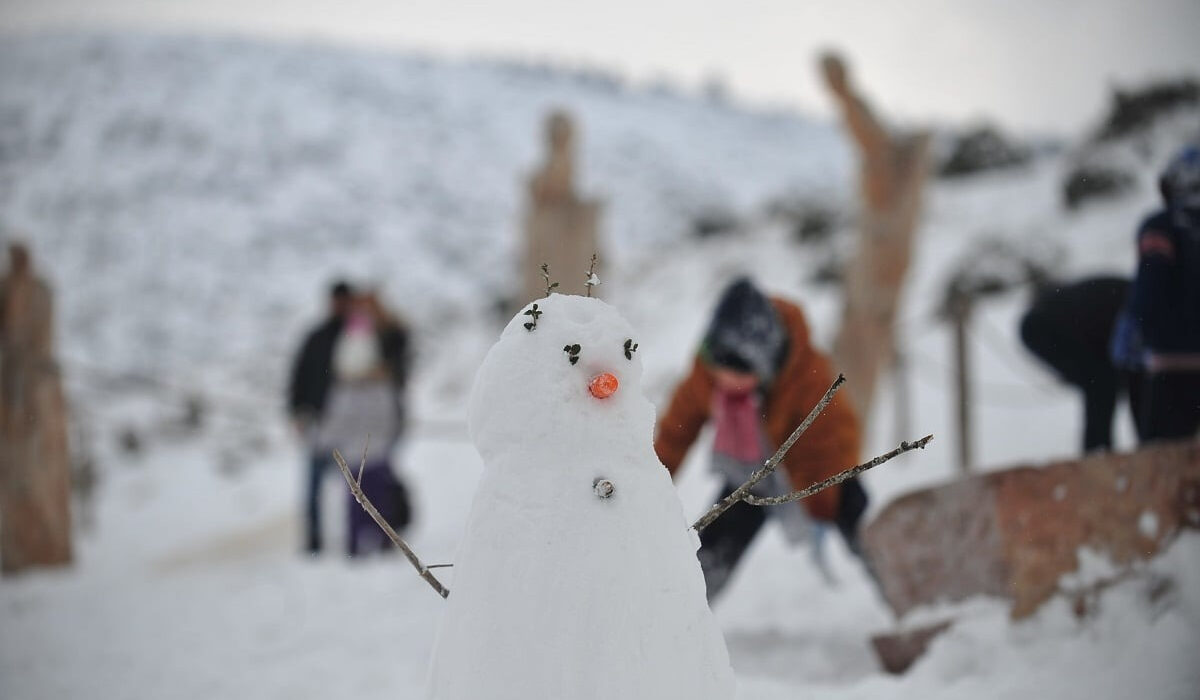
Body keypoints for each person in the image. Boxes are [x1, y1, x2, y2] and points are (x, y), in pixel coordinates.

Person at [655, 278, 864, 599]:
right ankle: (682, 607)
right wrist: (649, 479)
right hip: (750, 472)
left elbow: (829, 442)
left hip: (811, 469)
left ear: (764, 366)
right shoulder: (708, 372)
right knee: (716, 545)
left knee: (856, 517)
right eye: (720, 370)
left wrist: (822, 502)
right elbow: (675, 433)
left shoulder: (807, 374)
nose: (726, 380)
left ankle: (905, 590)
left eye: (740, 374)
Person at [315, 290, 412, 556]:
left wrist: (393, 431)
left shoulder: (380, 387)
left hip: (375, 452)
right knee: (358, 501)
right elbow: (336, 420)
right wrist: (324, 437)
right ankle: (357, 545)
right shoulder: (345, 390)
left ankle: (382, 541)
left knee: (378, 498)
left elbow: (388, 417)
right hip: (358, 455)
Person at [1120, 145, 1200, 441]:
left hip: (1172, 366)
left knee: (1163, 471)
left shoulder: (1161, 226)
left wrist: (1145, 339)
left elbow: (1148, 294)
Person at [1019, 276, 1142, 452]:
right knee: (1102, 386)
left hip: (1065, 329)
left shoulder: (1135, 297)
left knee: (1103, 385)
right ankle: (1098, 456)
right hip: (1043, 327)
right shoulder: (1142, 304)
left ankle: (1099, 454)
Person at [288, 280, 354, 554]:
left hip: (352, 427)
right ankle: (313, 542)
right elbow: (299, 376)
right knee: (314, 487)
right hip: (318, 423)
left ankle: (356, 539)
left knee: (356, 487)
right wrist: (297, 412)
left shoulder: (359, 336)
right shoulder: (316, 337)